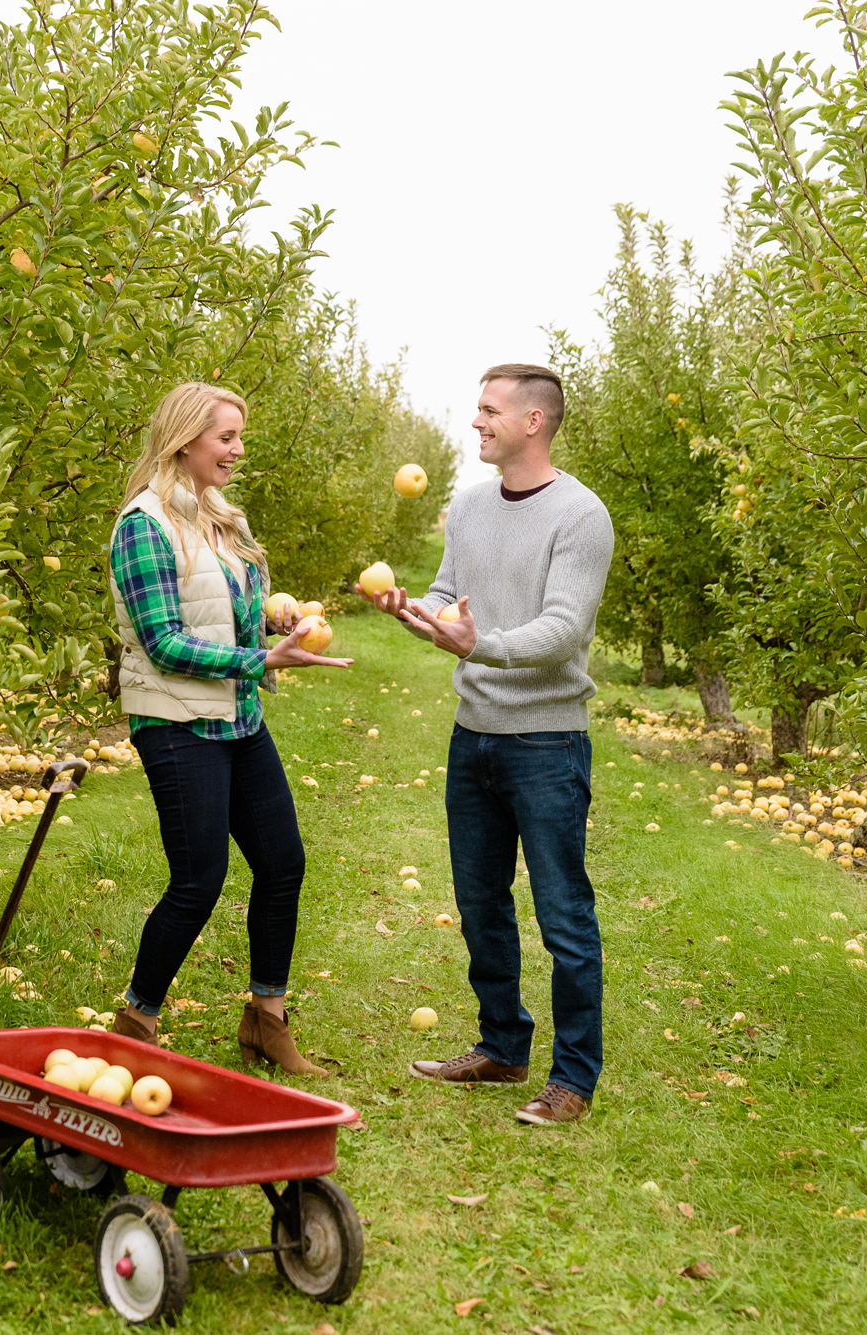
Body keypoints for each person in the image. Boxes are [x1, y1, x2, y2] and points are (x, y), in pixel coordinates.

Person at [362, 364, 614, 1124]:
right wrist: (422, 614)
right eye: (476, 408)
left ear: (533, 421)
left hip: (546, 739)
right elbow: (449, 591)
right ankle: (503, 1045)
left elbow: (563, 627)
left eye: (489, 410)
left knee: (562, 911)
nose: (476, 422)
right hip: (474, 735)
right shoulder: (468, 505)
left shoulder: (580, 515)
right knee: (479, 901)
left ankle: (572, 1076)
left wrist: (480, 646)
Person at [107, 382, 352, 1076]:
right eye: (227, 438)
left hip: (237, 717)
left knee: (283, 862)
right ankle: (134, 1025)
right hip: (177, 721)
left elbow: (223, 607)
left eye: (239, 437)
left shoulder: (218, 516)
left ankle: (266, 1021)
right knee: (199, 879)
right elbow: (163, 641)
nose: (238, 451)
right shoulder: (143, 524)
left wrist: (272, 618)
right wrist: (260, 656)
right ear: (186, 438)